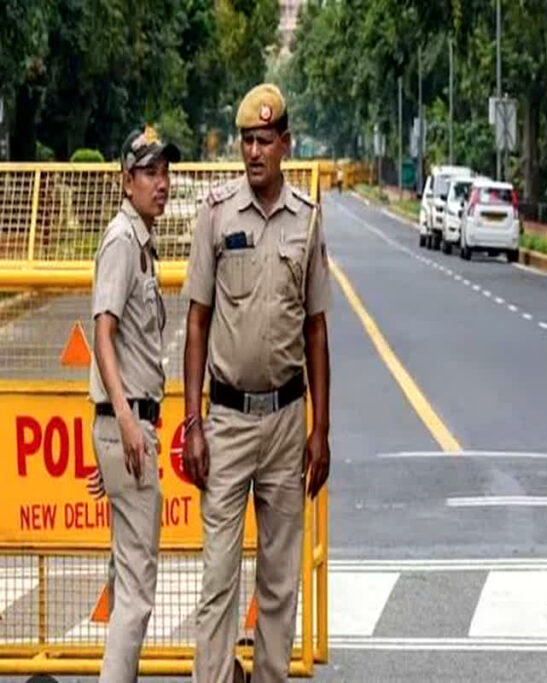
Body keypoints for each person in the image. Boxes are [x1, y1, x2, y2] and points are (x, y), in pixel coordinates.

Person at [182, 83, 332, 682]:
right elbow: (196, 321)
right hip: (227, 421)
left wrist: (321, 429)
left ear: (285, 144)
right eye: (246, 140)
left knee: (279, 579)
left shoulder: (307, 220)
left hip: (286, 422)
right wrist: (193, 422)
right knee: (218, 577)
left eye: (264, 140)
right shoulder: (216, 214)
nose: (253, 151)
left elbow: (317, 331)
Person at [88, 126, 180, 681]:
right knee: (138, 590)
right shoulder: (123, 241)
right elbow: (103, 332)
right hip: (129, 430)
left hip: (125, 429)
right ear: (127, 180)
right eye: (150, 173)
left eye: (165, 172)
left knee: (127, 578)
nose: (162, 183)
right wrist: (123, 422)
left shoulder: (141, 239)